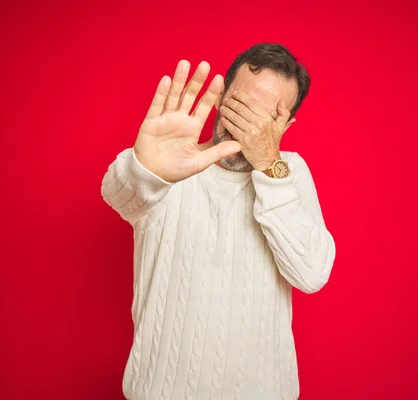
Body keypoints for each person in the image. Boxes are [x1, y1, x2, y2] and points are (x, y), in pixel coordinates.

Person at [101, 43, 336, 400]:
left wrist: (270, 167)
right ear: (220, 98)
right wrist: (145, 170)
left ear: (286, 125)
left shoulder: (289, 173)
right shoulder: (171, 163)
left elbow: (312, 274)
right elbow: (119, 193)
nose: (249, 126)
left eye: (267, 117)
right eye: (241, 105)